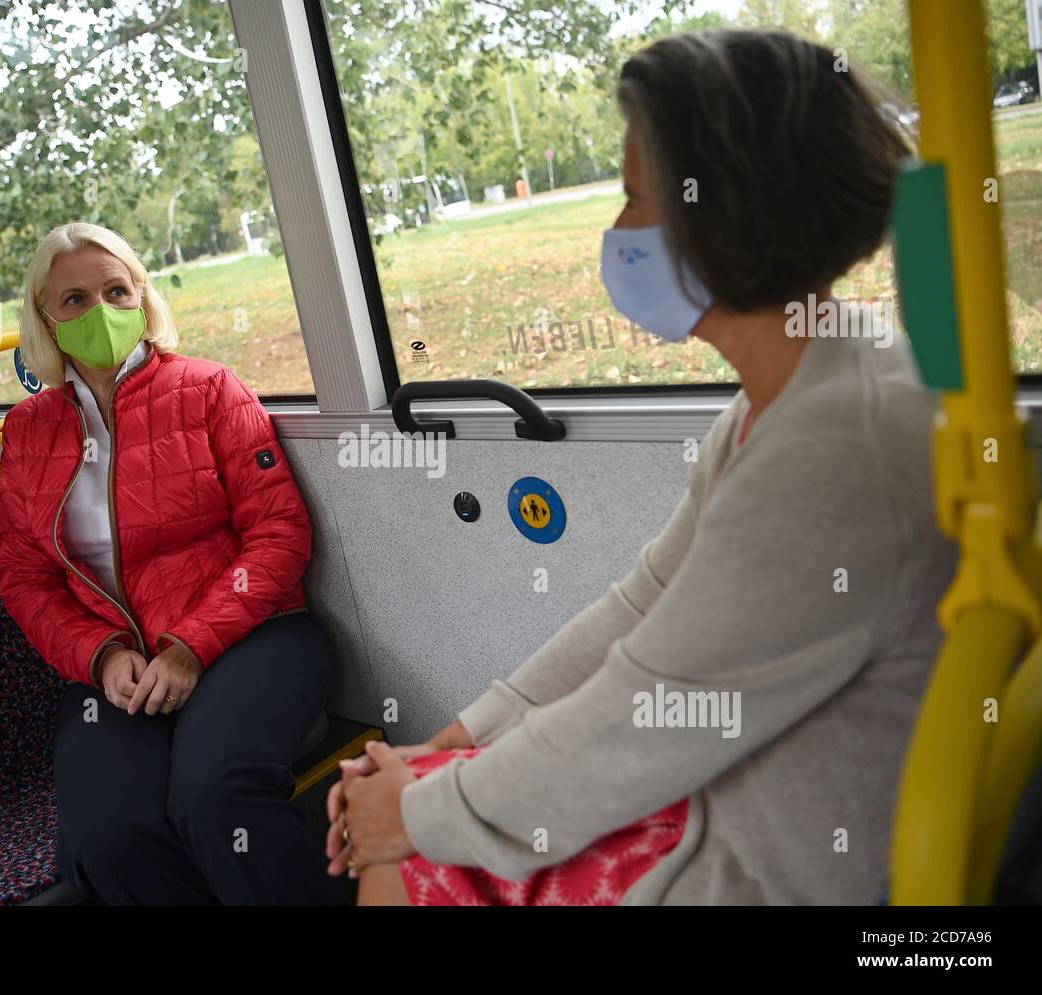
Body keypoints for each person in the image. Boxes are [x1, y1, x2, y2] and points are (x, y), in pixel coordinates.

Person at [327, 28, 957, 906]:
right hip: (726, 794)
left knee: (400, 860)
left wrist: (415, 813)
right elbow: (641, 604)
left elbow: (642, 710)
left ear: (725, 213)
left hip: (769, 868)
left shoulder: (833, 451)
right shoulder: (799, 388)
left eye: (633, 199)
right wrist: (441, 750)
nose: (615, 234)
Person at [0, 222, 349, 905]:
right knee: (107, 836)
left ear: (142, 297)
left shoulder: (210, 389)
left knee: (217, 797)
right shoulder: (28, 431)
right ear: (45, 318)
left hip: (251, 636)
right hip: (117, 666)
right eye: (73, 300)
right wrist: (99, 655)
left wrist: (190, 645)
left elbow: (278, 532)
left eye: (115, 290)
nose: (99, 311)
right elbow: (25, 577)